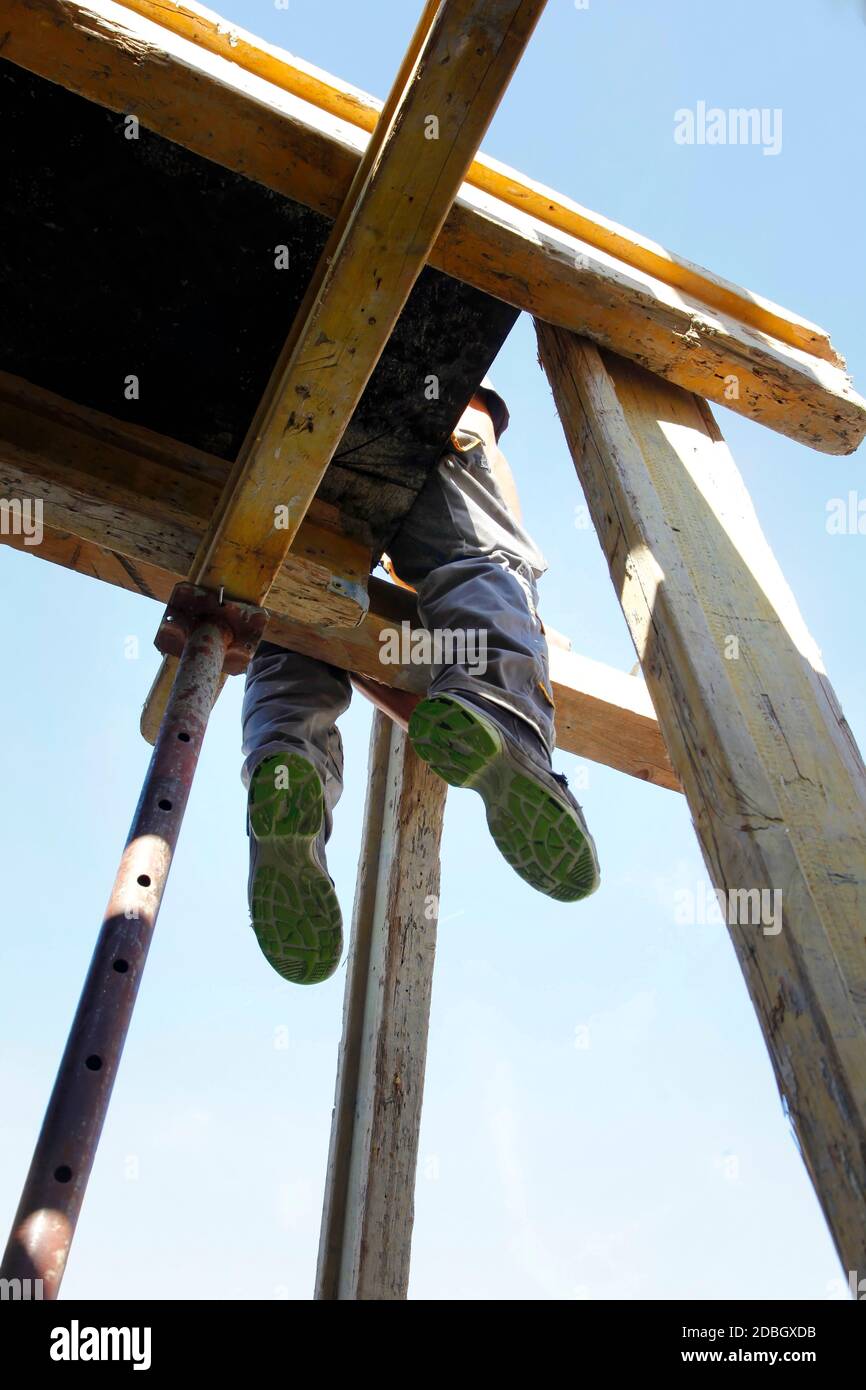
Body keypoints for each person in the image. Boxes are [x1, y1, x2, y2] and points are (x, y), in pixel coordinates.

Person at [241, 378, 600, 984]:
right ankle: (503, 707)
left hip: (280, 439)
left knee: (294, 611)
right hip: (426, 414)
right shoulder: (467, 400)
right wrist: (527, 608)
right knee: (481, 561)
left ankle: (285, 758)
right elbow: (484, 486)